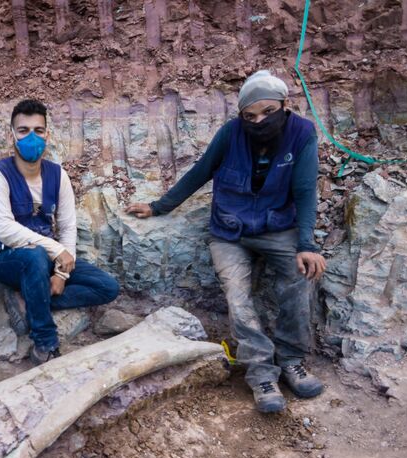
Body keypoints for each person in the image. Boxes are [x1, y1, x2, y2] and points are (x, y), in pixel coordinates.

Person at [125, 70, 326, 414]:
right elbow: (201, 171)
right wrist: (160, 206)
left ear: (284, 105)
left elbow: (306, 191)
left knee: (298, 277)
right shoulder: (231, 134)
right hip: (230, 231)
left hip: (278, 228)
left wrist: (306, 243)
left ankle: (292, 359)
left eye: (266, 112)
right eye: (250, 116)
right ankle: (262, 373)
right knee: (237, 294)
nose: (259, 121)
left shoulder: (302, 134)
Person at [0, 99, 119, 365]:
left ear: (47, 134)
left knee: (107, 287)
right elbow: (2, 229)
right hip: (5, 257)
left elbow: (68, 226)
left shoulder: (58, 175)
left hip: (45, 260)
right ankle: (45, 343)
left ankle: (27, 300)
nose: (31, 137)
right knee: (33, 256)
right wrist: (57, 252)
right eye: (23, 130)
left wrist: (61, 273)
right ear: (12, 134)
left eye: (38, 130)